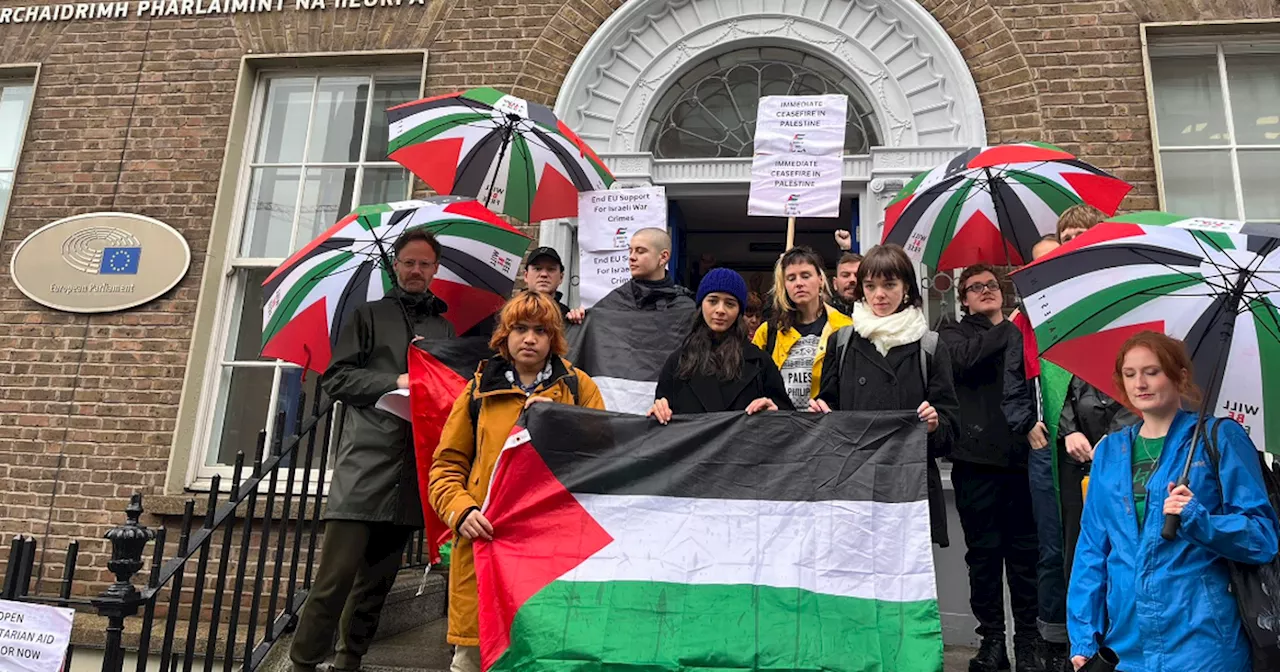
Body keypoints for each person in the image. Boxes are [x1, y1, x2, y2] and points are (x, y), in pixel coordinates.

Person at [291, 227, 456, 672]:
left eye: (425, 263)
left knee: (377, 585)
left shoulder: (444, 327)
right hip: (365, 463)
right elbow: (337, 379)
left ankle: (350, 661)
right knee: (335, 580)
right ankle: (303, 663)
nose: (416, 270)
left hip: (413, 467)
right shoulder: (366, 315)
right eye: (409, 262)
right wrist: (396, 380)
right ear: (395, 266)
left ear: (435, 269)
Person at [1068, 331, 1280, 672]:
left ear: (1180, 376)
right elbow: (1092, 548)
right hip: (1124, 643)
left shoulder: (1220, 438)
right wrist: (1083, 636)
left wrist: (1199, 520)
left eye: (1153, 371)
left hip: (1203, 641)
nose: (1140, 382)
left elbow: (1262, 537)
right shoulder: (1109, 450)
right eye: (1130, 373)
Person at [428, 291, 606, 672]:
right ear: (504, 335)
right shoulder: (478, 390)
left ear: (553, 338)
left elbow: (603, 460)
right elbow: (445, 467)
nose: (530, 338)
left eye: (541, 330)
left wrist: (561, 420)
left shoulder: (579, 388)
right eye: (520, 328)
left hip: (553, 558)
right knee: (474, 662)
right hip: (486, 553)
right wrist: (461, 510)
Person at [810, 244, 959, 546]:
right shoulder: (842, 343)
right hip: (853, 485)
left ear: (906, 288)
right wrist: (820, 417)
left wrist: (934, 425)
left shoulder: (928, 346)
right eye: (871, 285)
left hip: (909, 488)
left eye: (889, 284)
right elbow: (829, 409)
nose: (879, 295)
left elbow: (951, 427)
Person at [938, 263, 1041, 672]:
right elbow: (962, 361)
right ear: (963, 299)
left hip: (1024, 461)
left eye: (992, 285)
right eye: (974, 287)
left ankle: (1029, 641)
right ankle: (992, 640)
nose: (985, 290)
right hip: (975, 462)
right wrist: (1012, 326)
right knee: (983, 558)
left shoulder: (1023, 334)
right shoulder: (954, 333)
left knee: (1025, 557)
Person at [648, 268, 793, 422]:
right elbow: (662, 425)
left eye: (730, 304)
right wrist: (659, 411)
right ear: (701, 304)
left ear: (739, 311)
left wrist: (775, 411)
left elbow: (788, 421)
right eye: (713, 301)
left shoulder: (760, 363)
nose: (720, 310)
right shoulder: (677, 363)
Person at [753, 246, 853, 411]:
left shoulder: (845, 328)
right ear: (784, 285)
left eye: (805, 276)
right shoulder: (768, 331)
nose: (799, 283)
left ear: (820, 279)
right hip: (780, 427)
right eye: (791, 278)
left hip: (825, 427)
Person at [566, 227, 689, 323]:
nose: (632, 257)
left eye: (640, 251)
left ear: (663, 257)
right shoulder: (616, 301)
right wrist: (578, 318)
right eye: (630, 251)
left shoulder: (683, 308)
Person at [522, 246, 573, 320]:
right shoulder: (509, 312)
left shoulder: (567, 316)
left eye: (551, 269)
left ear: (561, 277)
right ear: (526, 275)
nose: (544, 274)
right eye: (537, 268)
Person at [830, 251, 863, 316]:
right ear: (835, 283)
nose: (852, 280)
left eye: (858, 275)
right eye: (845, 275)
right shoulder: (824, 317)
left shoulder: (879, 315)